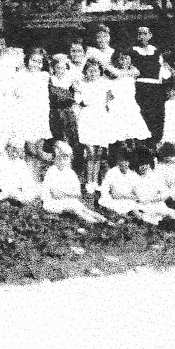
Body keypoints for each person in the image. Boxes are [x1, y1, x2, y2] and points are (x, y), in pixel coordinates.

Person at [39, 141, 106, 225]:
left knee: (82, 208)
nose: (65, 160)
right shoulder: (51, 172)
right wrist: (66, 194)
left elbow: (77, 193)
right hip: (53, 202)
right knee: (75, 207)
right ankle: (94, 223)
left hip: (70, 200)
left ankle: (104, 220)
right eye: (62, 157)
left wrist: (67, 194)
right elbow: (52, 193)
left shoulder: (70, 173)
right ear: (57, 157)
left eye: (67, 157)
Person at [74, 58, 114, 192]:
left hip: (101, 118)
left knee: (98, 152)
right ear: (85, 71)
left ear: (100, 72)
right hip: (87, 118)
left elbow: (110, 100)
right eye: (90, 70)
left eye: (95, 70)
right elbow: (80, 101)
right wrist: (80, 91)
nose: (93, 73)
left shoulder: (105, 84)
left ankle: (95, 181)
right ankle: (89, 181)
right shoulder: (80, 83)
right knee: (90, 151)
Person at [109, 50, 152, 166]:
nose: (124, 61)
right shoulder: (112, 75)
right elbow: (110, 94)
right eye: (121, 59)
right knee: (120, 140)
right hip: (117, 107)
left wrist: (114, 70)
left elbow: (135, 72)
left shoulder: (133, 71)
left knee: (134, 137)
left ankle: (136, 164)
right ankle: (122, 164)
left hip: (130, 106)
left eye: (127, 59)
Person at [128, 25, 165, 145]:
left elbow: (161, 70)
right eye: (140, 34)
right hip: (140, 87)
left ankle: (154, 144)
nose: (142, 36)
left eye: (145, 33)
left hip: (155, 88)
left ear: (150, 35)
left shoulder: (156, 50)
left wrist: (160, 86)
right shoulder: (132, 51)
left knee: (156, 116)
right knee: (143, 115)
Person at [14, 47, 53, 153]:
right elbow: (16, 94)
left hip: (40, 114)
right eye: (33, 60)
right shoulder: (20, 75)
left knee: (39, 146)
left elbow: (45, 98)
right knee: (28, 146)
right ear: (28, 60)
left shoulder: (44, 76)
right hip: (24, 113)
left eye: (39, 61)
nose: (36, 64)